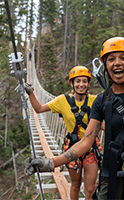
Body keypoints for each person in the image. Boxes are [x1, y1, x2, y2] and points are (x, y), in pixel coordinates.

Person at [25, 37, 124, 200]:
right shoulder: (101, 101)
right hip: (112, 166)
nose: (117, 63)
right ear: (106, 66)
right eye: (111, 59)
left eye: (123, 58)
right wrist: (51, 163)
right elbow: (86, 142)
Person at [24, 66, 103, 200]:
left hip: (90, 148)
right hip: (72, 148)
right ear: (72, 83)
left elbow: (103, 123)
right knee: (75, 185)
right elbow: (39, 109)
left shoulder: (96, 101)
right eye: (77, 81)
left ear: (89, 84)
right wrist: (31, 93)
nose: (81, 84)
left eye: (85, 81)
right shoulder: (62, 101)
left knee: (90, 188)